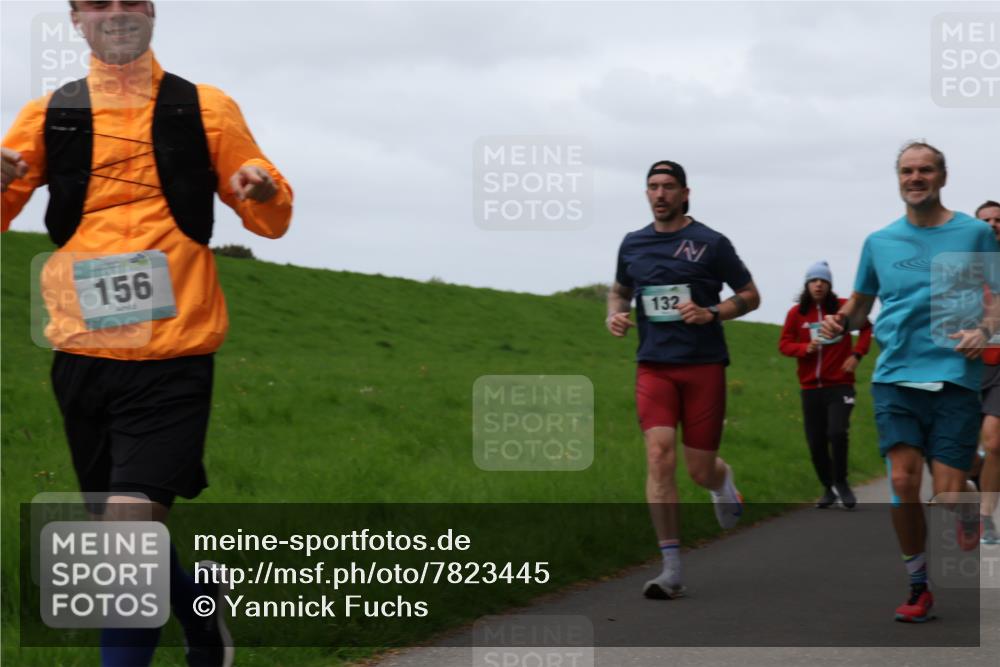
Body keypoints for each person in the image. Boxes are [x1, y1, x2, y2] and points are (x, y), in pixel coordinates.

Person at [1, 2, 293, 665]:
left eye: (129, 0)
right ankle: (199, 605)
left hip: (172, 356)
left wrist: (260, 188)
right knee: (122, 537)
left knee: (124, 548)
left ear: (150, 11)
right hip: (81, 357)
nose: (116, 14)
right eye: (97, 3)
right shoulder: (49, 114)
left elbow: (272, 218)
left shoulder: (206, 108)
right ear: (77, 20)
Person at [821, 142, 998, 623]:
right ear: (897, 178)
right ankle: (918, 587)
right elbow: (860, 306)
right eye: (906, 171)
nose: (914, 177)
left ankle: (965, 506)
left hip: (954, 376)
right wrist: (842, 321)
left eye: (924, 170)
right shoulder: (879, 241)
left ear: (942, 177)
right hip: (896, 375)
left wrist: (984, 331)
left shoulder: (976, 233)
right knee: (902, 477)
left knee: (945, 493)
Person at [607, 160, 760, 599]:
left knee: (698, 471)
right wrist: (615, 313)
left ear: (685, 193)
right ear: (646, 194)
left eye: (669, 187)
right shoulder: (633, 244)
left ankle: (722, 482)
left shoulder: (711, 243)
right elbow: (619, 289)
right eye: (653, 187)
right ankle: (670, 568)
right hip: (654, 365)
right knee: (658, 455)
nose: (660, 194)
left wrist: (712, 312)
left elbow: (750, 295)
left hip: (703, 365)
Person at [779, 261, 872, 509]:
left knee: (837, 432)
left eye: (823, 281)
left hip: (840, 384)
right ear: (807, 285)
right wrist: (803, 348)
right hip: (810, 388)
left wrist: (857, 355)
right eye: (813, 280)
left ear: (829, 285)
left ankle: (841, 482)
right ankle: (827, 487)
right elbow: (784, 344)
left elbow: (866, 328)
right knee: (815, 441)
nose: (818, 284)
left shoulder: (843, 308)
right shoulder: (796, 314)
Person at [975, 200, 1000, 544]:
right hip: (966, 364)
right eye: (987, 220)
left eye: (999, 219)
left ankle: (985, 519)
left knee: (995, 441)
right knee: (959, 461)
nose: (994, 224)